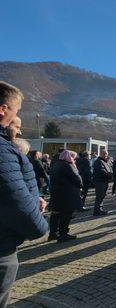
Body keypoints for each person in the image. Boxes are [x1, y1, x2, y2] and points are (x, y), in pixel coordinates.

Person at [0, 81, 48, 308]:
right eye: (15, 113)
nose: (18, 128)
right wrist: (40, 227)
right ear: (3, 109)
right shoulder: (3, 151)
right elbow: (14, 199)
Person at [48, 150, 82, 242]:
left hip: (56, 192)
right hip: (67, 193)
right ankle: (63, 234)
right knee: (66, 214)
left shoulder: (55, 164)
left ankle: (53, 233)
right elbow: (77, 179)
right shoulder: (68, 165)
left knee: (55, 213)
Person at [92, 149, 113, 216]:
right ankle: (97, 211)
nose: (105, 155)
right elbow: (101, 171)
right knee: (99, 196)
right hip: (100, 182)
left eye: (106, 153)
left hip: (104, 181)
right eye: (103, 153)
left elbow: (109, 169)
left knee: (102, 195)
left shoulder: (104, 161)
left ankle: (99, 209)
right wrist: (110, 175)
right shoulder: (98, 161)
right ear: (100, 154)